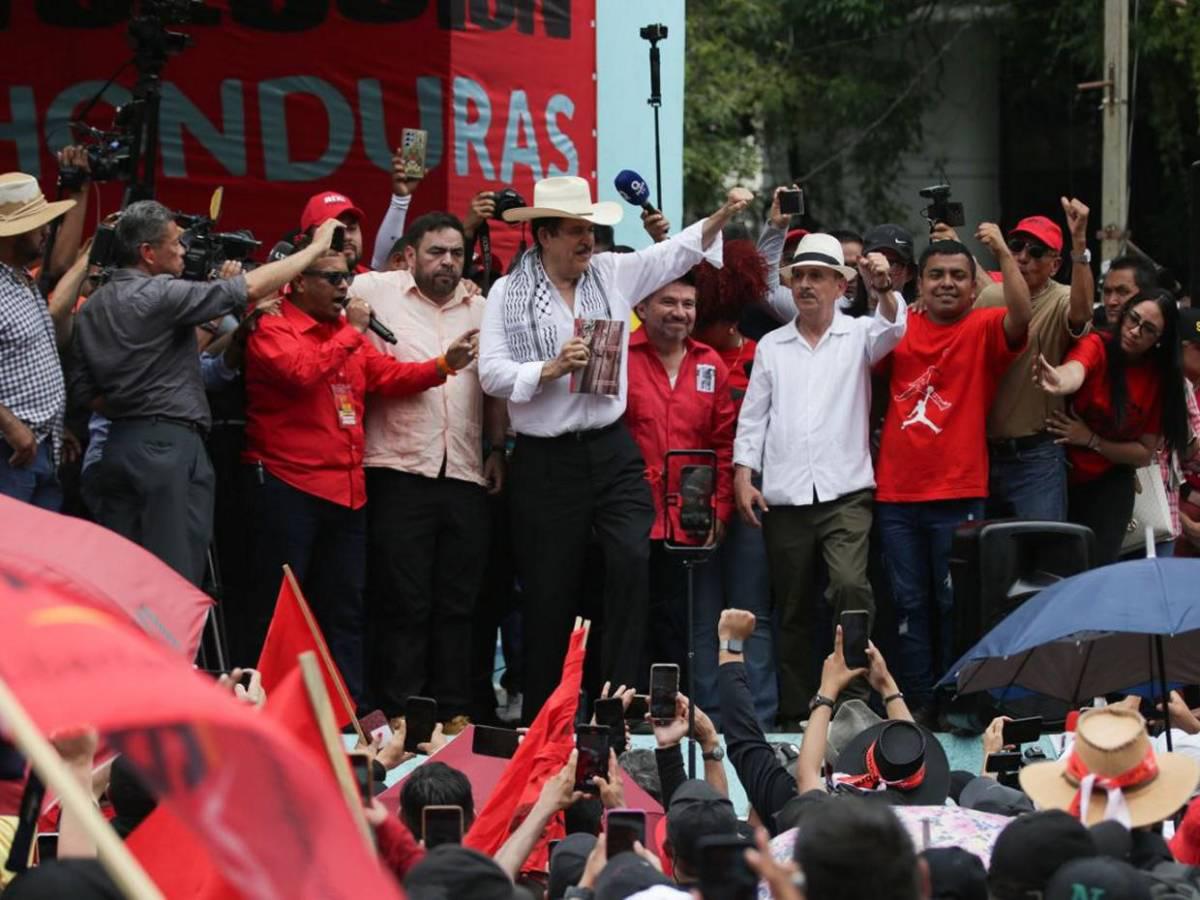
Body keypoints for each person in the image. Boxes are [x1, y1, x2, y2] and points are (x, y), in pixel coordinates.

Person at [477, 175, 747, 721]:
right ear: (545, 234)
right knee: (551, 588)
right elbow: (491, 374)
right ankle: (545, 715)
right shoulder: (508, 293)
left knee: (630, 558)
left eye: (591, 230)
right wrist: (547, 369)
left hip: (610, 447)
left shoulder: (610, 273)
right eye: (576, 231)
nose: (587, 241)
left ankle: (617, 706)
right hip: (546, 458)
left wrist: (718, 218)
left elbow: (672, 254)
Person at [238, 243, 475, 700]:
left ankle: (350, 720)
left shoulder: (344, 335)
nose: (344, 286)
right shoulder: (273, 326)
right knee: (277, 610)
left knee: (346, 610)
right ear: (298, 282)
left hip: (346, 491)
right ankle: (260, 711)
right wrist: (353, 332)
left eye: (346, 277)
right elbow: (300, 373)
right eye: (332, 278)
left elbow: (388, 375)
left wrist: (445, 364)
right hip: (289, 486)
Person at [71, 203, 340, 585]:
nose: (184, 250)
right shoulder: (159, 294)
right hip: (167, 450)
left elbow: (83, 391)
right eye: (177, 242)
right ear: (148, 253)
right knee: (173, 581)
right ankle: (170, 649)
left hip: (117, 445)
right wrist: (314, 250)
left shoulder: (92, 306)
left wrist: (133, 405)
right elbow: (246, 288)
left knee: (118, 580)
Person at [733, 233, 905, 726]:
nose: (806, 285)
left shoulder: (859, 334)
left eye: (817, 276)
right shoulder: (772, 344)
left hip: (845, 492)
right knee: (791, 607)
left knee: (851, 589)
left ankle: (852, 705)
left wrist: (884, 288)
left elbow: (894, 324)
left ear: (839, 285)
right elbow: (753, 417)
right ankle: (795, 714)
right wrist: (744, 475)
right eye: (799, 276)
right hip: (785, 496)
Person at [351, 211, 506, 725]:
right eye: (436, 252)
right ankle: (401, 712)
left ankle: (455, 714)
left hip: (463, 469)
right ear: (409, 255)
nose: (448, 263)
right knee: (404, 600)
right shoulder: (374, 289)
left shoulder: (482, 308)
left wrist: (498, 448)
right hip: (397, 467)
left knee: (460, 603)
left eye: (457, 254)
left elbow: (493, 387)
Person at [874, 231, 1030, 720]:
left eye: (958, 276)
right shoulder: (898, 327)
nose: (947, 283)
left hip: (960, 489)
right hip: (896, 493)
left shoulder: (985, 326)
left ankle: (956, 697)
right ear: (919, 282)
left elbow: (1022, 317)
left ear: (972, 286)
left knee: (954, 603)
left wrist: (1003, 253)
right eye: (936, 275)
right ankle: (917, 703)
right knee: (907, 605)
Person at [625, 272, 736, 718]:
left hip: (686, 519)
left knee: (678, 626)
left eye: (688, 304)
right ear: (642, 308)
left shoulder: (711, 363)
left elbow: (724, 443)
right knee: (628, 622)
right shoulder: (621, 356)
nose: (679, 313)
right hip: (628, 516)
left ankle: (671, 716)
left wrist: (719, 508)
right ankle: (627, 714)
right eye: (668, 302)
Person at [1034, 288, 1190, 565]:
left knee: (1094, 571)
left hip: (1109, 485)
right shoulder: (1099, 343)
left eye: (1148, 329)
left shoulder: (1159, 378)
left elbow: (1144, 452)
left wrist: (1091, 439)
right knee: (1048, 566)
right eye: (1133, 319)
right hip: (1057, 474)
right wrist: (1058, 379)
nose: (1134, 331)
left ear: (1159, 340)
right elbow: (1076, 368)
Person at [690, 241, 777, 729]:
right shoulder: (686, 358)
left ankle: (758, 717)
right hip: (697, 491)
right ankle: (708, 716)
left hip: (752, 492)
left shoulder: (763, 357)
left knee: (749, 609)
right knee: (703, 612)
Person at [968, 202, 1094, 521]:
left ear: (1055, 264)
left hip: (1036, 457)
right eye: (1016, 247)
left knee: (1045, 556)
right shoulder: (991, 297)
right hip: (983, 454)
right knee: (985, 560)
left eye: (1036, 251)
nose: (1023, 257)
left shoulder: (1062, 297)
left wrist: (1079, 242)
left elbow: (1081, 314)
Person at [0, 172, 76, 510]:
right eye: (38, 224)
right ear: (11, 234)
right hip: (10, 451)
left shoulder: (20, 280)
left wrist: (53, 424)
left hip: (38, 446)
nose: (47, 231)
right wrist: (12, 426)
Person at [1098, 255, 1158, 330]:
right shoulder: (1091, 337)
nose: (1111, 302)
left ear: (1145, 295)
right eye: (1107, 292)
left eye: (1122, 292)